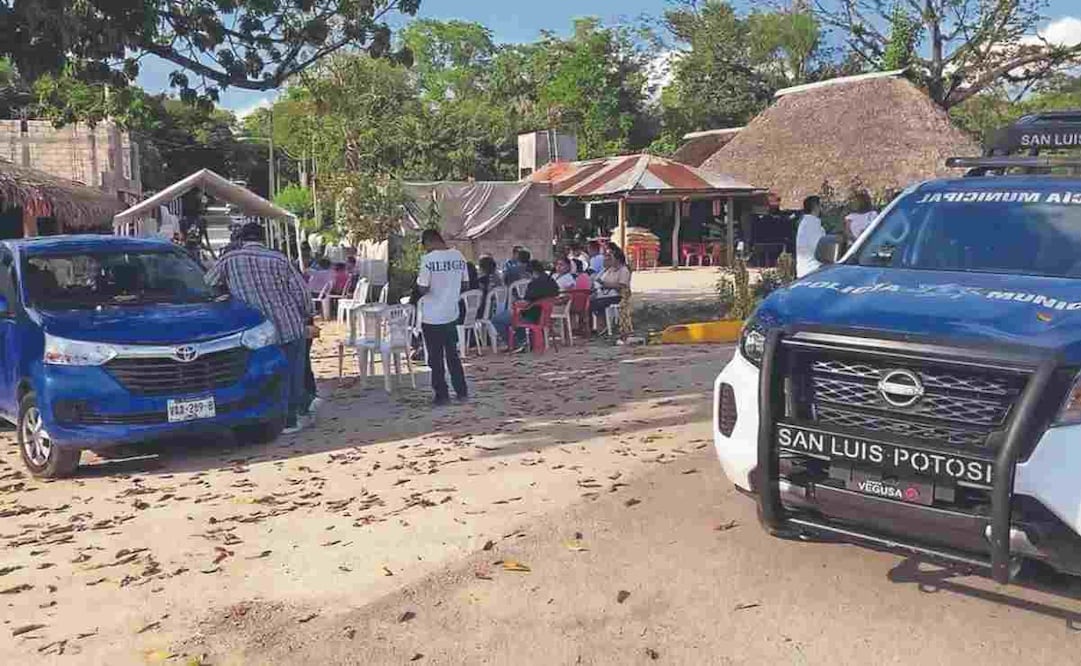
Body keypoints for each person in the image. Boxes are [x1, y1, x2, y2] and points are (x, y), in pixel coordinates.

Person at [205, 223, 314, 434]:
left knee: (259, 373)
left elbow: (208, 283)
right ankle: (291, 420)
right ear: (263, 239)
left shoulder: (229, 260)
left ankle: (259, 416)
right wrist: (307, 316)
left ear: (242, 239)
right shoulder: (279, 259)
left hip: (255, 331)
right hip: (289, 325)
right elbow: (301, 293)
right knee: (293, 373)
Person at [417, 229, 470, 406]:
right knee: (452, 355)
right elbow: (465, 284)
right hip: (451, 313)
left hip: (431, 316)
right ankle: (461, 391)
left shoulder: (428, 260)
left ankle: (442, 395)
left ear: (429, 242)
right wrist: (449, 290)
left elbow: (423, 288)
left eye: (424, 246)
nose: (425, 250)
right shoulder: (459, 256)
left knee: (435, 358)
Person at [493, 260, 559, 351]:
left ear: (533, 272)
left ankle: (516, 343)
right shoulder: (552, 282)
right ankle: (522, 340)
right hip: (544, 315)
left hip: (531, 315)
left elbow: (526, 301)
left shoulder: (534, 284)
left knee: (497, 320)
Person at [590, 245, 631, 331]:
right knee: (589, 301)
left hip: (618, 295)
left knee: (597, 303)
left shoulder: (624, 270)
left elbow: (622, 286)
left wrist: (605, 284)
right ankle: (598, 327)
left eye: (611, 257)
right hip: (606, 294)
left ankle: (603, 326)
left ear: (618, 259)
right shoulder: (610, 270)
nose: (609, 259)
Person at [795, 195, 825, 278]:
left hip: (806, 271)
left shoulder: (806, 223)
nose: (822, 208)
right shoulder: (812, 224)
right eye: (821, 205)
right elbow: (820, 249)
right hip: (813, 272)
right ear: (816, 207)